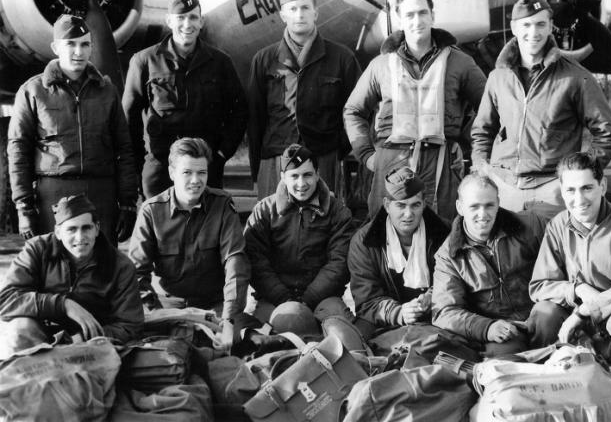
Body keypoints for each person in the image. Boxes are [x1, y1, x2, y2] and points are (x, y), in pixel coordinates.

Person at [344, 0, 486, 223]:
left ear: (433, 16)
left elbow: (489, 108)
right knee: (388, 234)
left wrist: (469, 147)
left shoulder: (460, 62)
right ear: (400, 19)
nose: (417, 20)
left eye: (422, 13)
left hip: (442, 164)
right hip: (392, 164)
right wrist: (367, 155)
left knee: (441, 234)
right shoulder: (380, 66)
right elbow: (353, 111)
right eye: (409, 14)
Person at [471, 0, 611, 218]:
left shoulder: (575, 77)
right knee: (504, 253)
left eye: (541, 24)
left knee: (554, 253)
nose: (533, 32)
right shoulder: (497, 78)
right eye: (526, 25)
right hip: (503, 190)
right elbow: (482, 131)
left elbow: (607, 132)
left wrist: (579, 175)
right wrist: (482, 169)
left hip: (552, 191)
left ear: (551, 26)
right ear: (514, 28)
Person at [8, 14, 138, 244]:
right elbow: (18, 151)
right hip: (53, 195)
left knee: (102, 271)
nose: (79, 52)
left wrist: (127, 203)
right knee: (54, 270)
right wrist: (24, 207)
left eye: (85, 44)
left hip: (101, 193)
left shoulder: (107, 91)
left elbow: (124, 149)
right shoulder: (32, 91)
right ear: (56, 47)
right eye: (71, 44)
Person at [529, 152, 611, 390]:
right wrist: (577, 289)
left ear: (602, 186)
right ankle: (545, 387)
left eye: (587, 188)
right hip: (580, 328)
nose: (579, 199)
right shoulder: (558, 225)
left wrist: (586, 309)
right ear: (561, 191)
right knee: (544, 311)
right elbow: (540, 285)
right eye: (570, 190)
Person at [123, 0, 247, 197]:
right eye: (180, 18)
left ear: (201, 22)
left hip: (206, 167)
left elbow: (240, 110)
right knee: (159, 227)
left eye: (193, 17)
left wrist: (222, 153)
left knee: (207, 227)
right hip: (161, 169)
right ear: (169, 21)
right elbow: (129, 117)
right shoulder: (144, 61)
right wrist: (142, 162)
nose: (187, 24)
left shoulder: (220, 62)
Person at [247, 0, 361, 199]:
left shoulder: (341, 58)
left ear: (316, 13)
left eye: (305, 8)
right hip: (276, 159)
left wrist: (337, 149)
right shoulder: (264, 60)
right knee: (273, 225)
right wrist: (258, 168)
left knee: (324, 223)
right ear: (283, 15)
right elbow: (255, 118)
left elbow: (358, 110)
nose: (300, 14)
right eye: (293, 8)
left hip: (323, 159)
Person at [0, 194, 143, 355]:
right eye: (71, 229)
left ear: (97, 228)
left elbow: (129, 325)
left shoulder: (120, 265)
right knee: (19, 330)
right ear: (58, 232)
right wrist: (63, 305)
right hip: (38, 337)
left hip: (90, 345)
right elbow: (5, 300)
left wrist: (82, 338)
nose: (80, 237)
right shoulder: (38, 250)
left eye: (86, 228)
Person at [128, 138, 250, 321]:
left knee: (235, 342)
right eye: (187, 172)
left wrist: (229, 318)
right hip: (168, 305)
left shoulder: (222, 205)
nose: (195, 180)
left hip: (214, 306)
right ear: (172, 173)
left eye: (202, 172)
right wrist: (154, 312)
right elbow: (136, 273)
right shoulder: (151, 211)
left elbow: (235, 262)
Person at [431, 173, 550, 356]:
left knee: (550, 315)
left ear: (498, 203)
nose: (483, 214)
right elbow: (445, 311)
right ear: (460, 207)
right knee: (503, 366)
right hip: (503, 330)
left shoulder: (532, 225)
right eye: (474, 207)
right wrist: (486, 327)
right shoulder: (448, 256)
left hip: (541, 316)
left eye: (489, 205)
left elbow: (564, 261)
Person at [244, 144, 354, 326]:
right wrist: (282, 297)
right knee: (263, 340)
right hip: (274, 298)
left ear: (317, 174)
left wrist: (309, 299)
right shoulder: (264, 211)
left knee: (341, 332)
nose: (301, 184)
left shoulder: (337, 212)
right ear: (282, 177)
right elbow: (255, 260)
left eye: (307, 175)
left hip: (323, 298)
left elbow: (339, 262)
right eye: (294, 176)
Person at [348, 167, 449, 334]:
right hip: (384, 319)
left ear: (424, 204)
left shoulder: (444, 233)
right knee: (358, 338)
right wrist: (399, 313)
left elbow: (454, 282)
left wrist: (433, 297)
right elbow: (366, 301)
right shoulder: (364, 242)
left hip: (435, 314)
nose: (408, 214)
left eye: (415, 205)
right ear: (387, 205)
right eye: (401, 205)